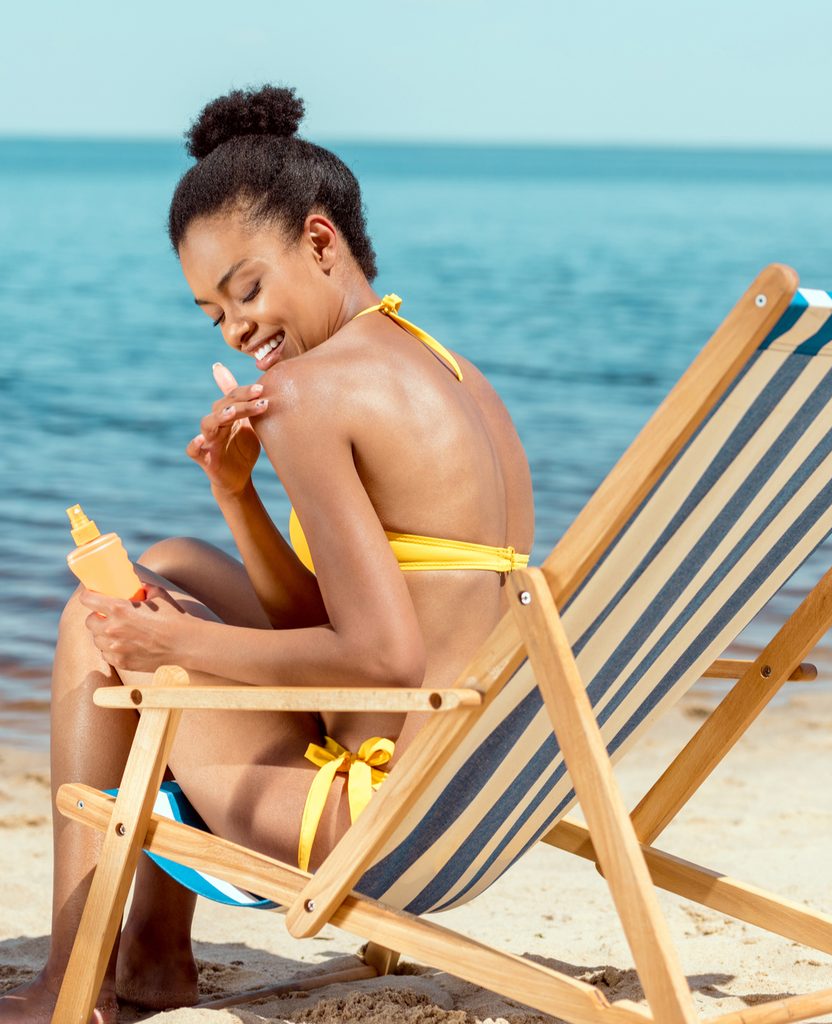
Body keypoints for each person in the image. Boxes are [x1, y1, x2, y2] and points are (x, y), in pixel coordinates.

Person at [1, 84, 534, 1023]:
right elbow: (339, 625)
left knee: (102, 624)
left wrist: (176, 651)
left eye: (247, 290)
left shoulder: (312, 393)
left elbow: (377, 659)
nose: (240, 330)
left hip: (368, 815)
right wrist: (239, 496)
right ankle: (156, 956)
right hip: (466, 794)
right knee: (176, 559)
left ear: (320, 243)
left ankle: (64, 987)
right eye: (214, 316)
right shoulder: (452, 372)